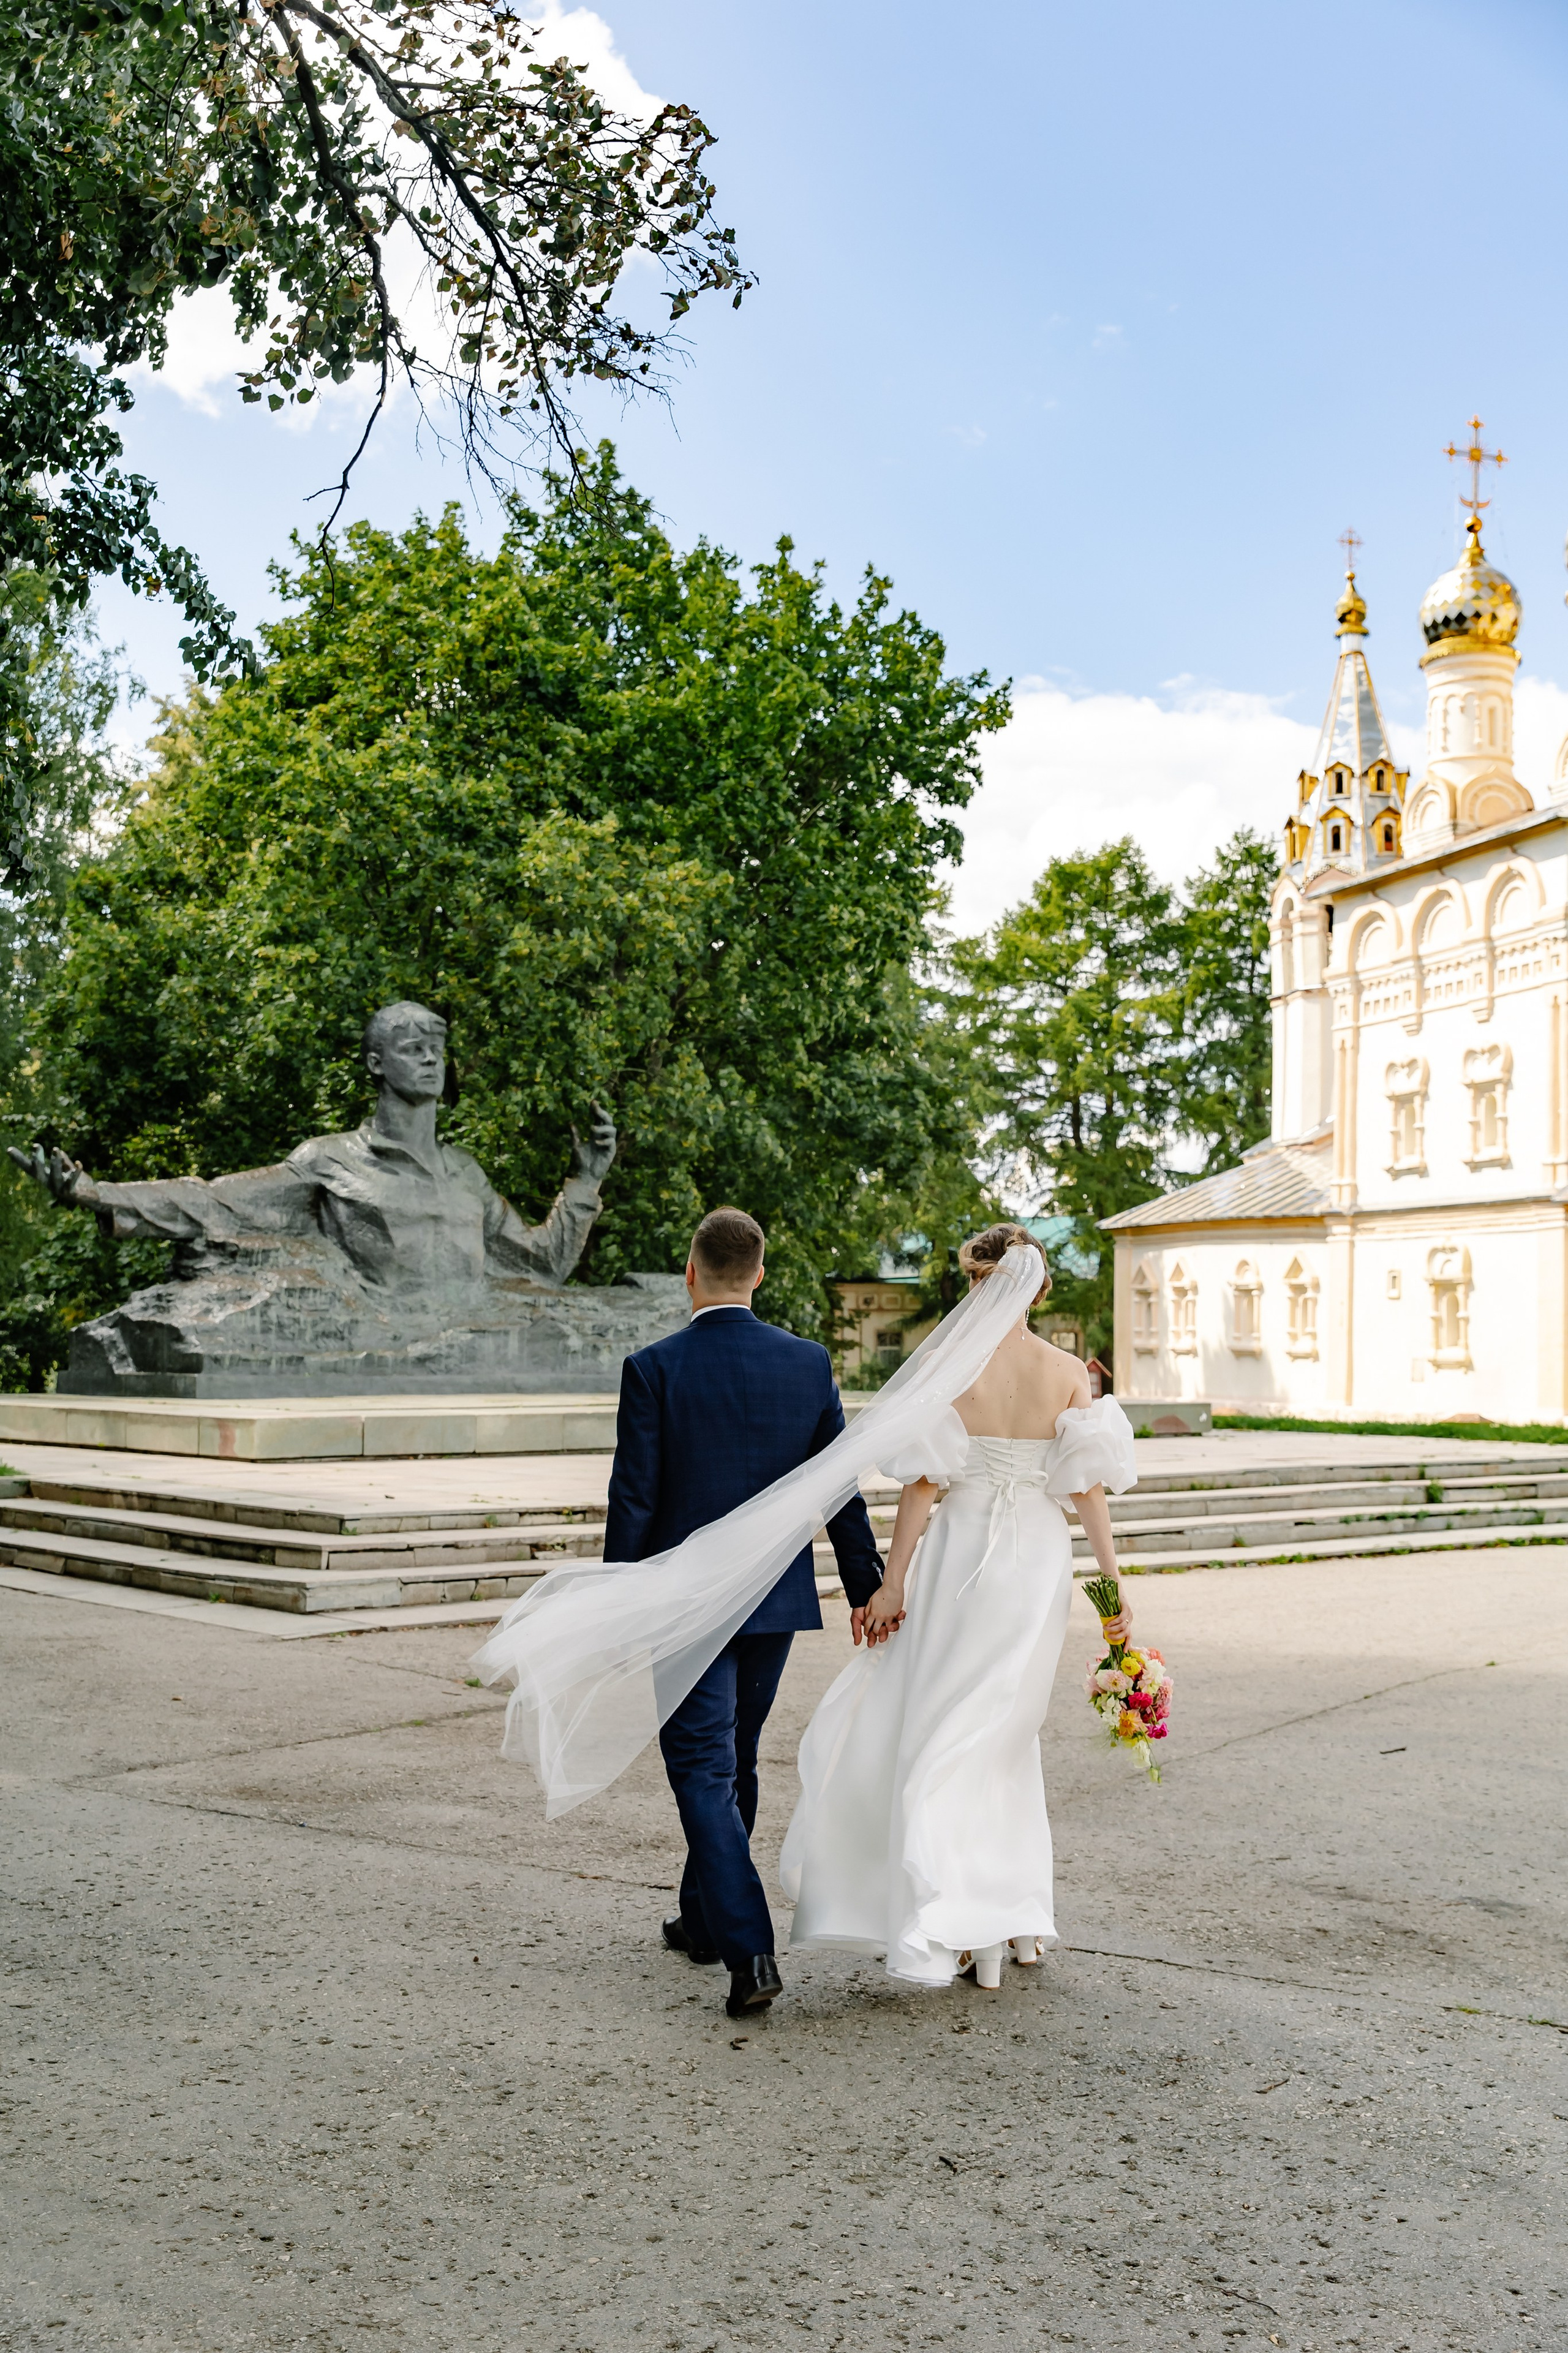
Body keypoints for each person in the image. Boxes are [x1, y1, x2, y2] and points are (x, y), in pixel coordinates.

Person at [779, 1222, 1137, 1990]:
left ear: (978, 1282)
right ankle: (1005, 1918)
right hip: (1034, 1560)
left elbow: (923, 1487)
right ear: (1040, 1288)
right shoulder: (1065, 1370)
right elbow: (1086, 1492)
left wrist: (894, 1580)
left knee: (953, 1724)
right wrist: (1112, 1592)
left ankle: (969, 1915)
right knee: (1004, 1733)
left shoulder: (949, 1367)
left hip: (958, 1553)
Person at [600, 1207, 885, 2020]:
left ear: (690, 1273)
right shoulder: (807, 1363)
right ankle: (701, 1919)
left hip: (684, 1603)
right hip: (773, 1599)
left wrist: (620, 1603)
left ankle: (748, 1949)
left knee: (702, 1768)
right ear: (759, 1274)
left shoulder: (653, 1367)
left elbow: (634, 1499)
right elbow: (839, 1488)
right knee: (737, 1757)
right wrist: (865, 1585)